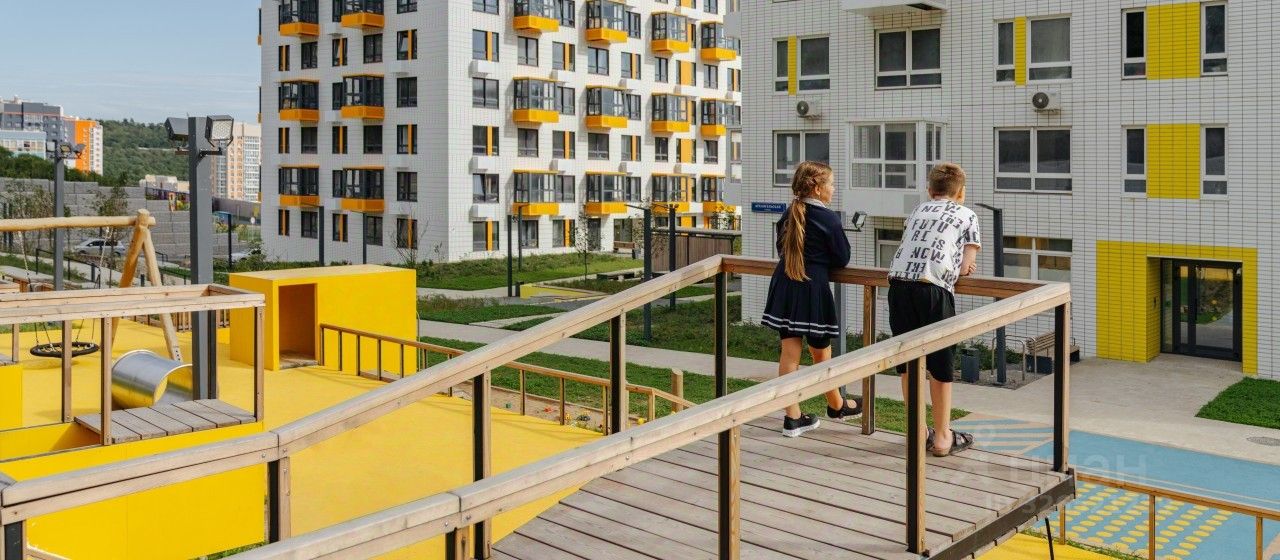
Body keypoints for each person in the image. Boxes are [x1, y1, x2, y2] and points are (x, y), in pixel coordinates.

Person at [762, 161, 862, 438]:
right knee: (822, 353)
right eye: (831, 184)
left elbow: (782, 248)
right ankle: (837, 405)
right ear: (817, 189)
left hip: (785, 284)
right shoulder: (828, 219)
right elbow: (842, 257)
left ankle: (794, 417)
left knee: (789, 354)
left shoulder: (789, 213)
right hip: (812, 288)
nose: (833, 189)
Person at [887, 162, 981, 456]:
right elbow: (965, 266)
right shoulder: (967, 215)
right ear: (961, 192)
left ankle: (917, 433)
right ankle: (942, 437)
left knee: (909, 363)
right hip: (933, 288)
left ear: (930, 190)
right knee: (940, 364)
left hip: (899, 285)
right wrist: (963, 266)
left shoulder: (917, 211)